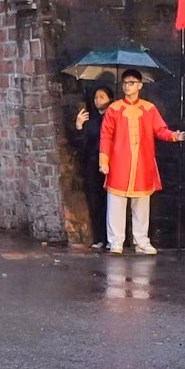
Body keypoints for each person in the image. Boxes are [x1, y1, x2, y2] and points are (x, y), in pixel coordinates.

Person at [97, 69, 183, 255]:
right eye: (125, 83)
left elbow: (161, 130)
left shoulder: (149, 108)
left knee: (142, 204)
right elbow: (106, 136)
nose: (128, 86)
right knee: (116, 203)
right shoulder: (114, 109)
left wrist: (175, 136)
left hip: (143, 163)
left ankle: (142, 241)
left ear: (140, 85)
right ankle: (116, 241)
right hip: (120, 162)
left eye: (132, 83)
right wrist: (104, 160)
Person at [74, 83, 115, 249]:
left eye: (102, 97)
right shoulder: (92, 120)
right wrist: (78, 126)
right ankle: (100, 237)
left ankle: (112, 238)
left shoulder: (114, 118)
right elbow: (82, 143)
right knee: (95, 200)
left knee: (110, 201)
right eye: (96, 97)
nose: (98, 100)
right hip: (93, 163)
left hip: (110, 162)